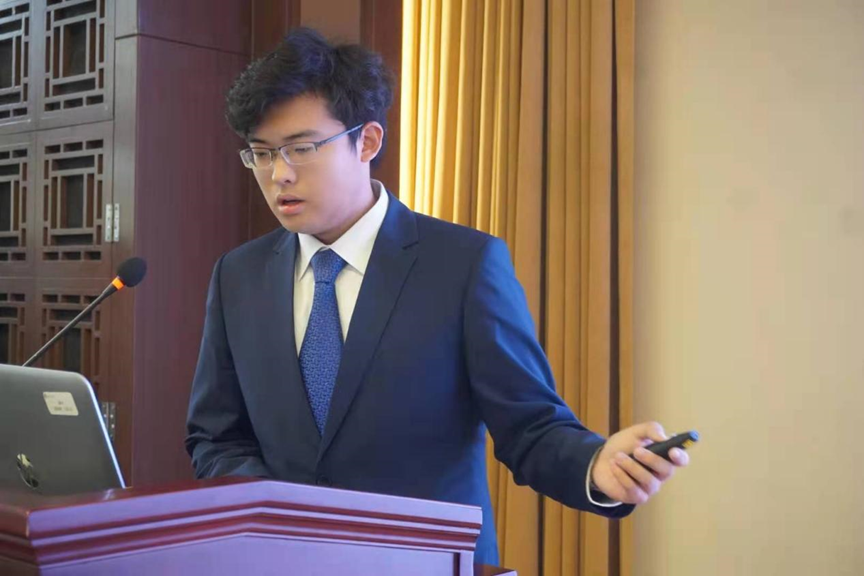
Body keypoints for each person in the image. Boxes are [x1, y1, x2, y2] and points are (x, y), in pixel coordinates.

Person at [186, 27, 689, 565]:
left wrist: (595, 466)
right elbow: (216, 436)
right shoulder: (238, 275)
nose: (279, 174)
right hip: (283, 562)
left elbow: (531, 427)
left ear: (367, 141)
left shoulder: (463, 264)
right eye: (262, 154)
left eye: (301, 148)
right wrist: (277, 512)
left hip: (429, 563)